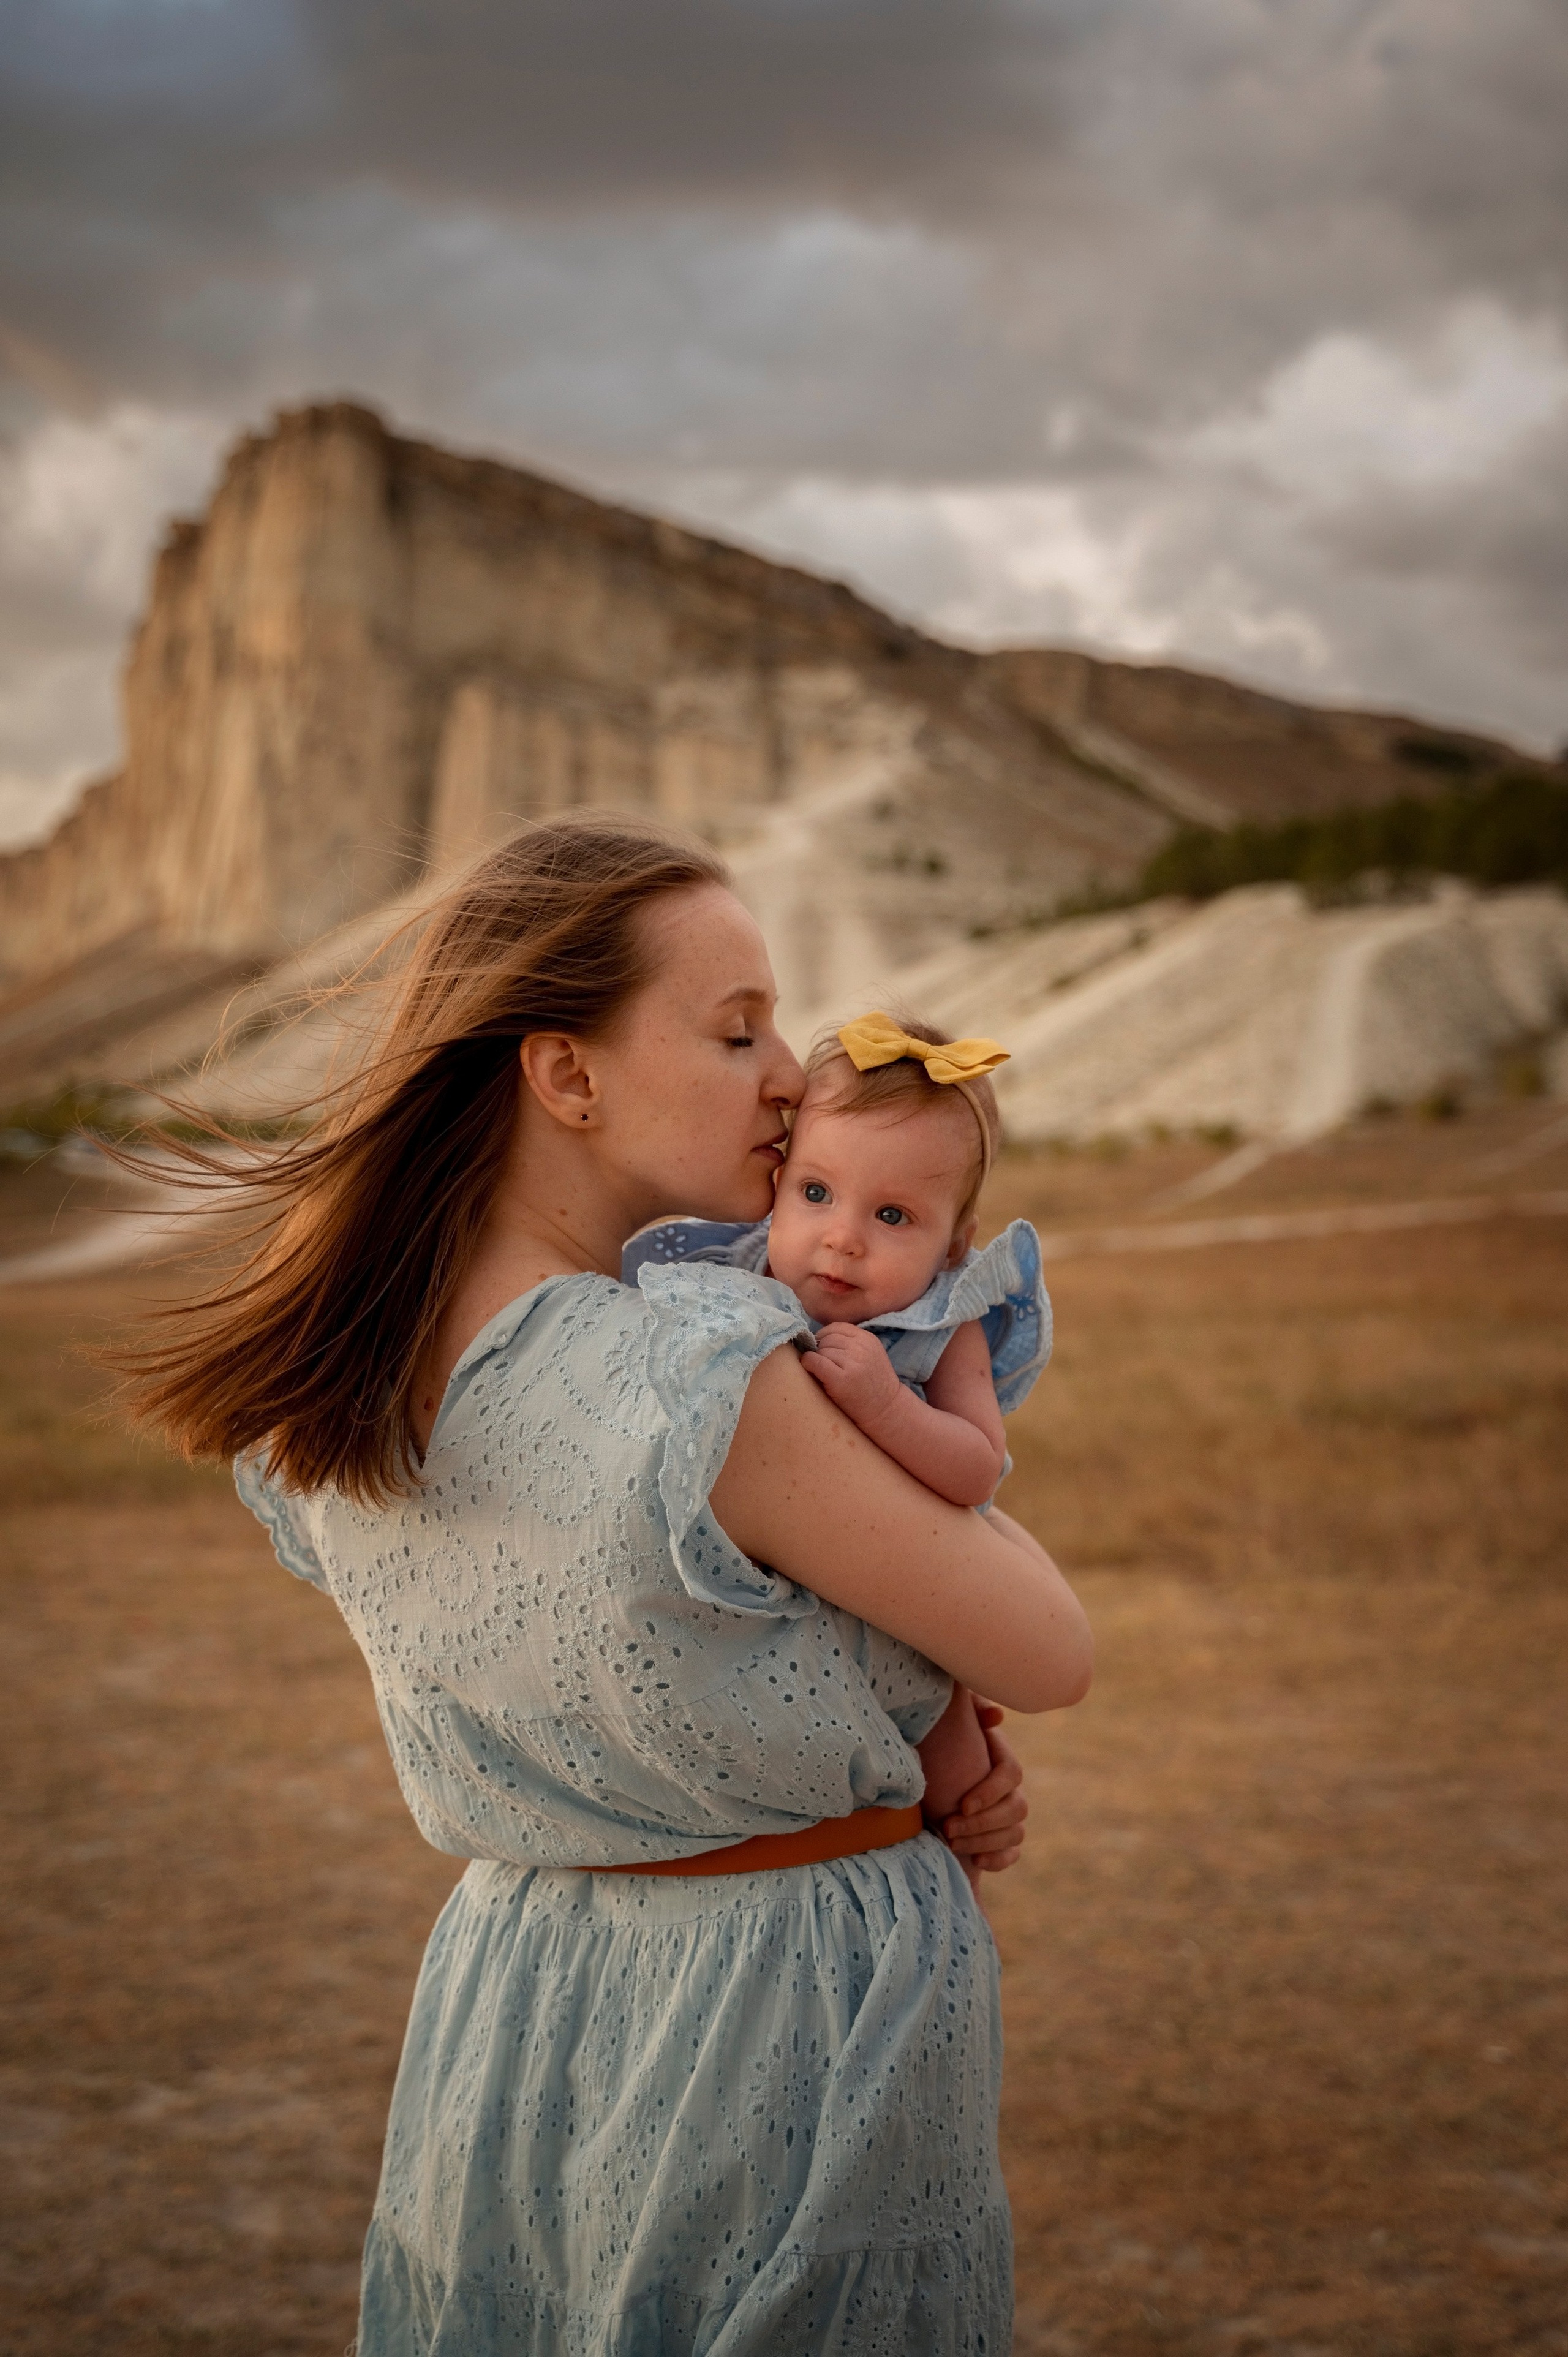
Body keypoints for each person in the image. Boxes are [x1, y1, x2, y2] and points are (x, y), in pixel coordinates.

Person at [124, 814, 1093, 2355]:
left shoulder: (356, 1389)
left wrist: (883, 1733)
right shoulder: (701, 1377)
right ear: (564, 1075)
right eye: (733, 1028)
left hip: (514, 1999)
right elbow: (1045, 1643)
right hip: (781, 2013)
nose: (789, 1071)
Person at [622, 1006, 1054, 1890]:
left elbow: (977, 1465)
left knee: (960, 1783)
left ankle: (948, 1929)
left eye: (893, 1215)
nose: (843, 1237)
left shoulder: (939, 1327)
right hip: (764, 1624)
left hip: (905, 1605)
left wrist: (888, 1406)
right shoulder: (728, 1284)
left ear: (954, 1245)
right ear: (778, 1186)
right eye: (816, 1193)